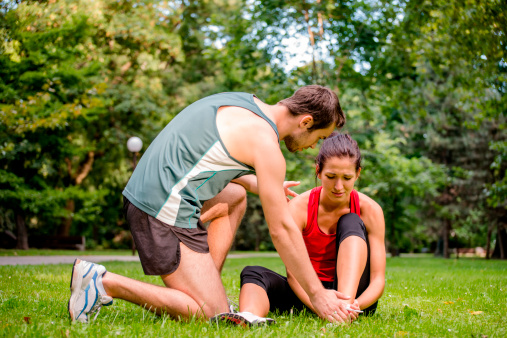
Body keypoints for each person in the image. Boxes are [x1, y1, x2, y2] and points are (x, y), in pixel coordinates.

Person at [68, 85, 353, 324]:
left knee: (235, 196)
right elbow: (281, 230)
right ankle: (102, 282)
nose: (314, 145)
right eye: (320, 137)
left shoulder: (243, 102)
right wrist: (318, 295)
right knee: (209, 315)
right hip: (159, 209)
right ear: (305, 122)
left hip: (148, 193)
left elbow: (202, 153)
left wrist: (256, 183)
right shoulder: (266, 144)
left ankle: (206, 285)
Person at [223, 133, 386, 325]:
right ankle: (250, 317)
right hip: (310, 293)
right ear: (318, 171)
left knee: (350, 220)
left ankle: (343, 308)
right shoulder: (299, 208)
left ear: (357, 174)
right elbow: (293, 276)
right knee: (253, 272)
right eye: (331, 176)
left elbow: (377, 279)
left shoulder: (370, 210)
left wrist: (351, 306)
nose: (339, 186)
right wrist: (320, 305)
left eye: (347, 178)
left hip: (355, 298)